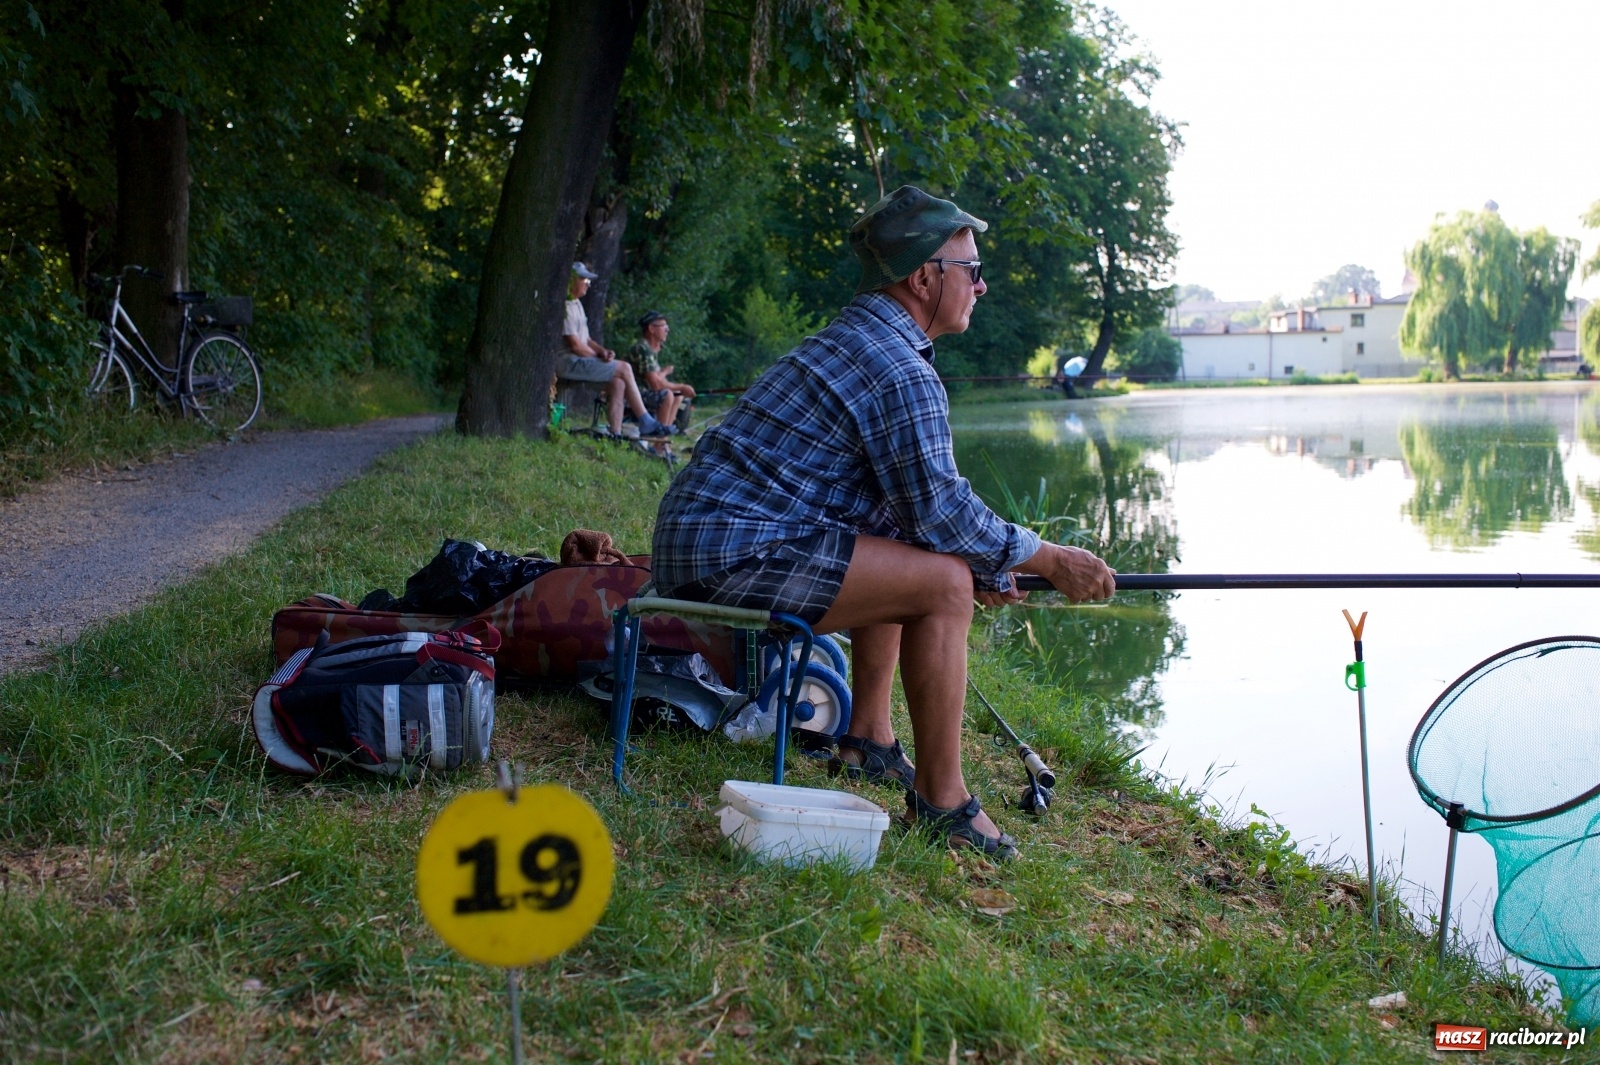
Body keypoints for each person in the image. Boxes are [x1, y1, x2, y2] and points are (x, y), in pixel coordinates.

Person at [651, 186, 1116, 859]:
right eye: (972, 270)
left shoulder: (860, 340)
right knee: (946, 586)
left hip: (704, 545)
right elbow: (944, 510)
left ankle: (868, 739)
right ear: (925, 275)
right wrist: (1043, 555)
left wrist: (987, 559)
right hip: (730, 556)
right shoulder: (897, 366)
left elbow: (911, 518)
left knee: (924, 561)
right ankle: (944, 803)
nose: (981, 286)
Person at [557, 263, 674, 438]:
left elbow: (587, 340)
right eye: (584, 279)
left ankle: (615, 434)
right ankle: (646, 420)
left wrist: (602, 351)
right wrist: (601, 357)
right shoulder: (565, 306)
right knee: (624, 368)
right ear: (572, 279)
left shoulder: (577, 304)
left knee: (618, 383)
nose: (588, 283)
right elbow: (574, 345)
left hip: (579, 361)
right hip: (566, 362)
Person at [627, 311, 697, 430]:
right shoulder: (642, 348)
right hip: (633, 394)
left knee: (677, 396)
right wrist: (682, 387)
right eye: (664, 326)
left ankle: (662, 442)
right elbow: (656, 384)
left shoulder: (649, 350)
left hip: (643, 392)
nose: (667, 330)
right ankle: (658, 435)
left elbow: (657, 380)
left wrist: (678, 389)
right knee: (667, 394)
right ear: (651, 329)